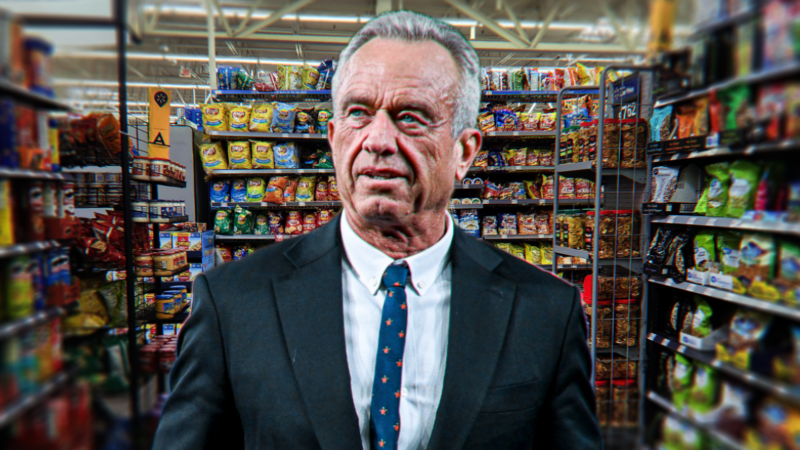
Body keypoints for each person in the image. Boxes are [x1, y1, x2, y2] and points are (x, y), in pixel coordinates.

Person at [153, 10, 601, 450]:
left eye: (410, 116)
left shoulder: (546, 314)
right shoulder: (232, 301)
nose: (378, 140)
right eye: (358, 113)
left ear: (464, 152)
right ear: (333, 139)